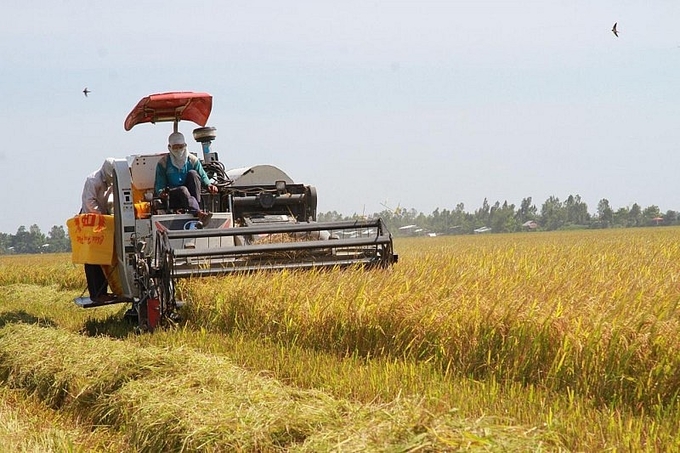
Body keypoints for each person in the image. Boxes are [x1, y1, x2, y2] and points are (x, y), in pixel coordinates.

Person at [154, 131, 218, 223]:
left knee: (193, 173)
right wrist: (161, 193)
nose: (179, 150)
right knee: (182, 190)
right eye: (175, 147)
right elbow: (160, 185)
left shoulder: (192, 160)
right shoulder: (163, 163)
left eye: (181, 147)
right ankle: (198, 213)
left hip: (192, 195)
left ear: (185, 145)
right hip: (172, 197)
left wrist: (209, 185)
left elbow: (203, 176)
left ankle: (196, 208)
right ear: (170, 147)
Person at [81, 158, 115, 303]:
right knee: (92, 258)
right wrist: (102, 217)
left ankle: (105, 291)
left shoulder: (113, 182)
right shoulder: (93, 180)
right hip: (90, 219)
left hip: (106, 219)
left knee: (104, 256)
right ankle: (96, 294)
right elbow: (89, 202)